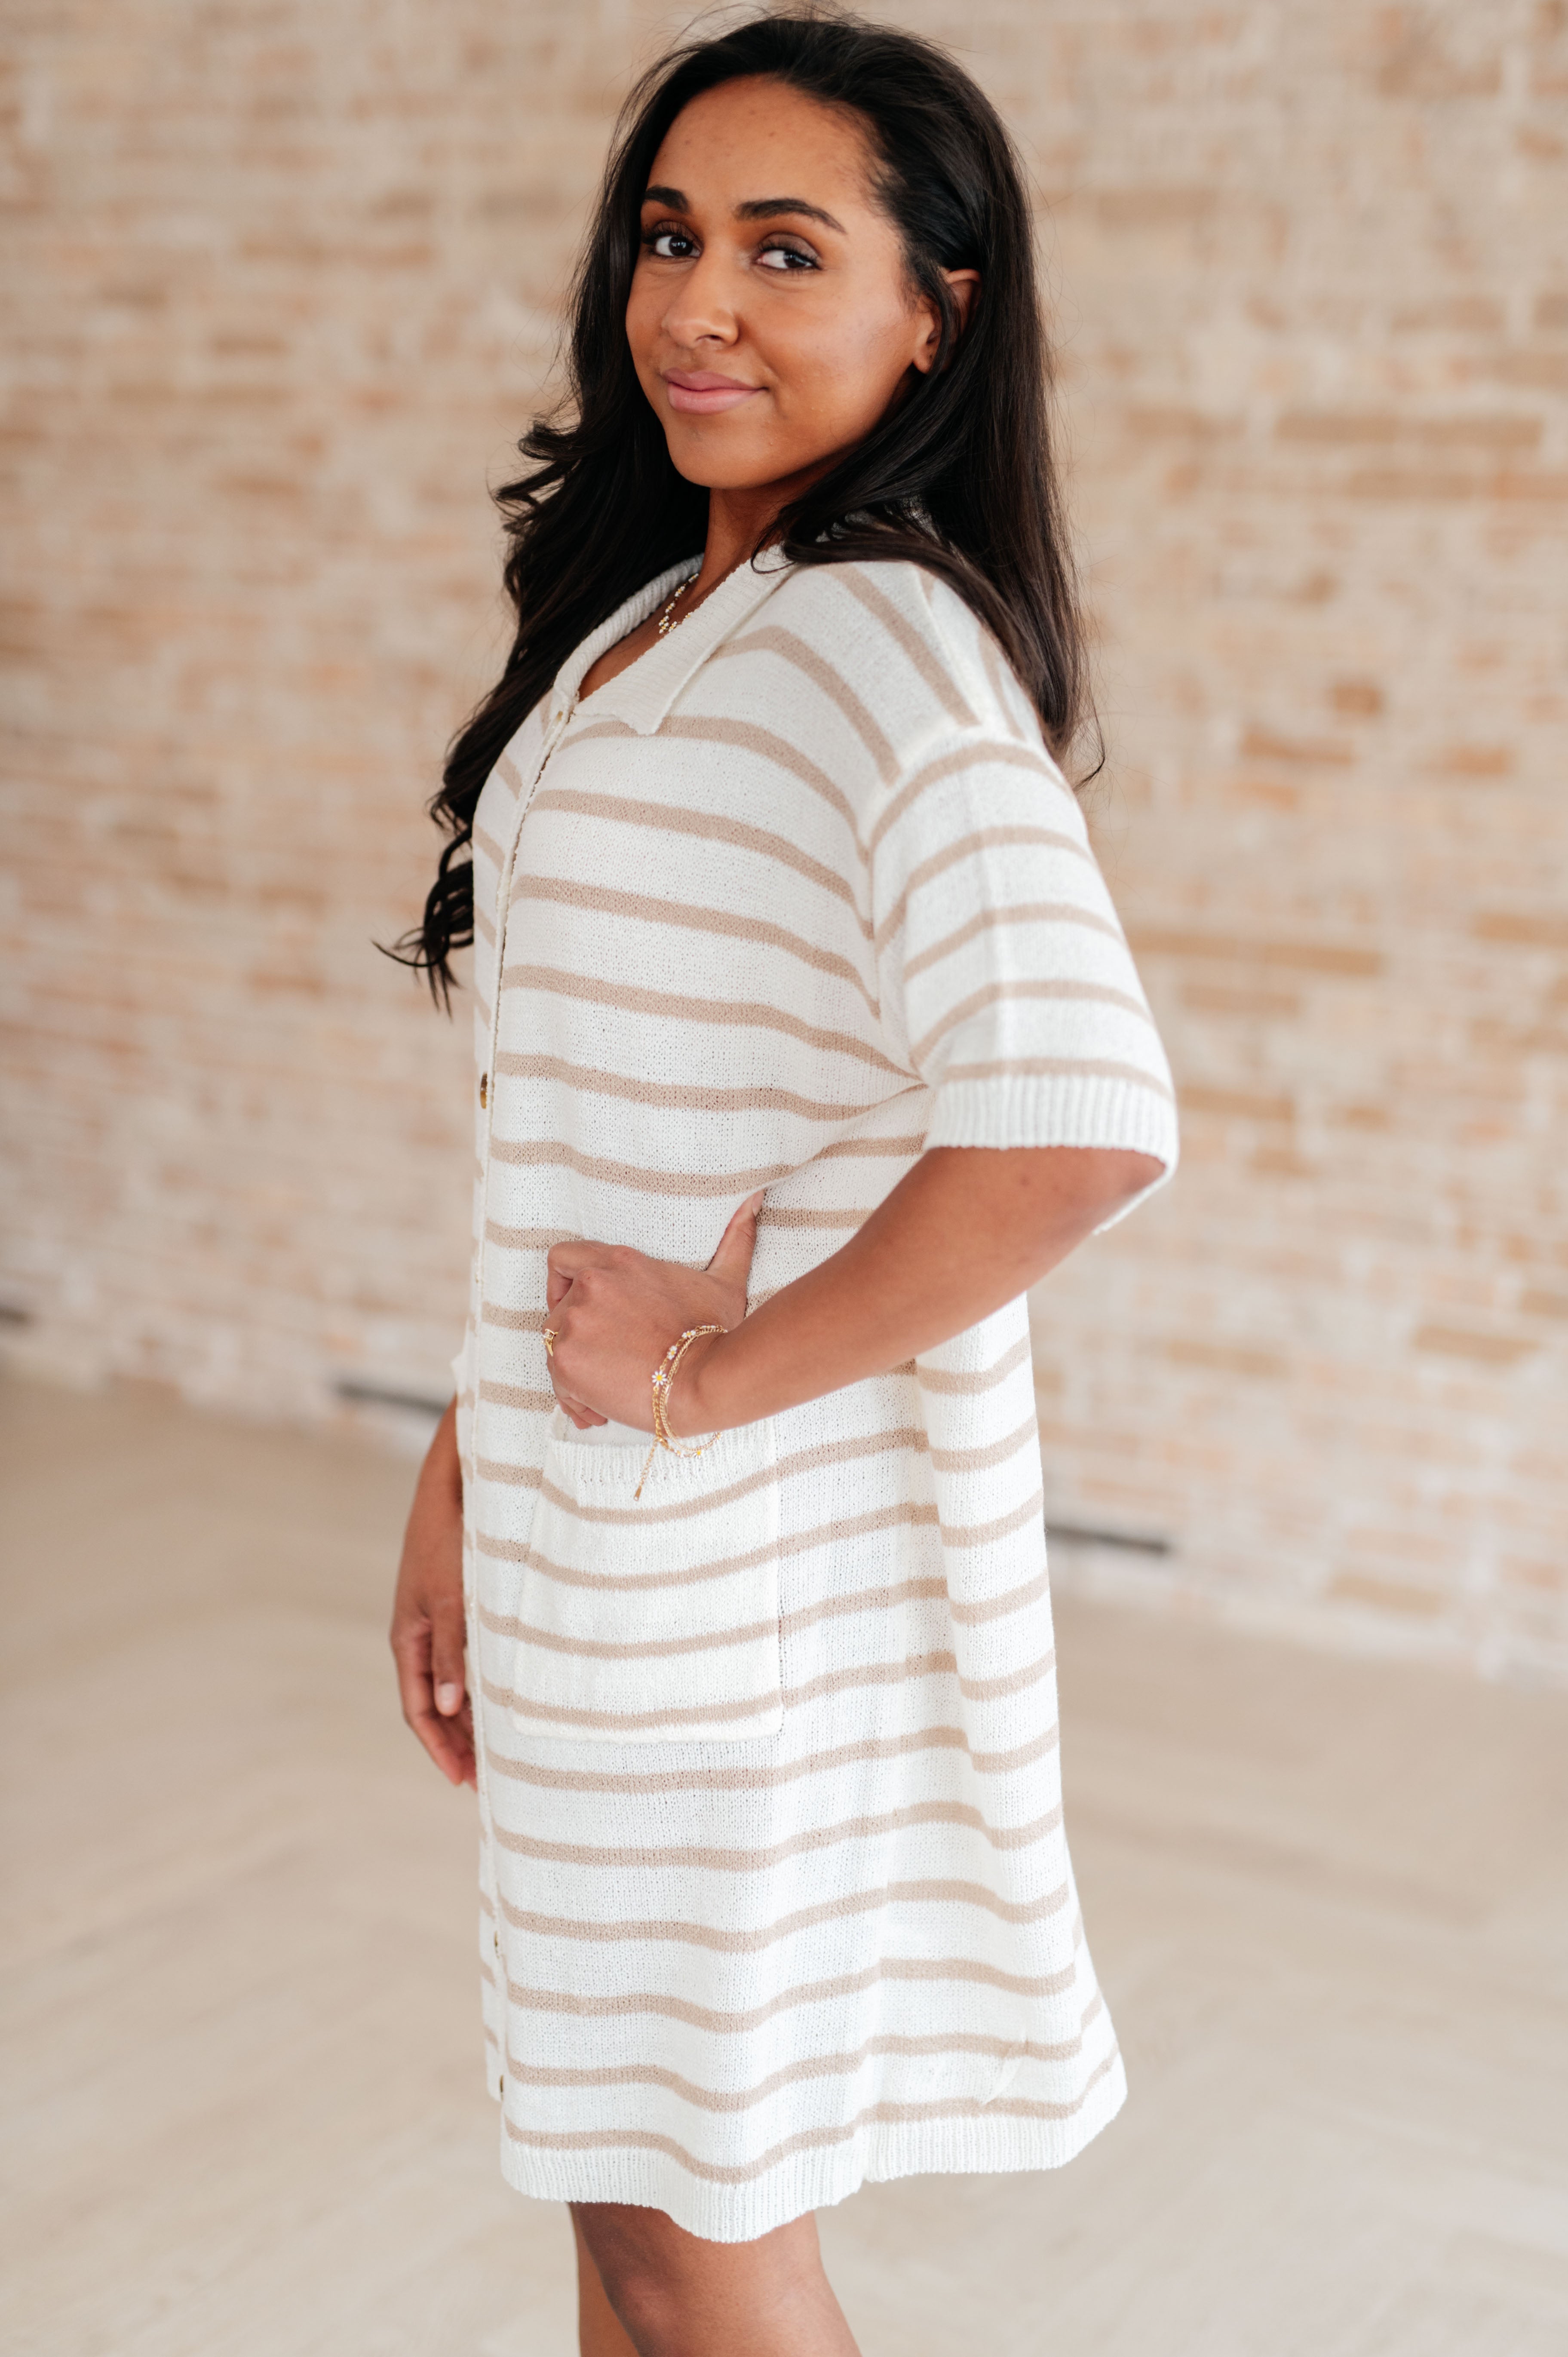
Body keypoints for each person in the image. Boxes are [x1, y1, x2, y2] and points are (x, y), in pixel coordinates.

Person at [389, 12, 1178, 2352]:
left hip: (721, 1595)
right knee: (624, 2215)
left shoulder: (876, 635)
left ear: (932, 308)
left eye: (784, 249)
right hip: (596, 1543)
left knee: (696, 2232)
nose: (696, 305)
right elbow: (605, 1126)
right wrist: (470, 1455)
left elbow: (1078, 1116)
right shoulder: (665, 620)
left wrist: (708, 1384)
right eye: (667, 237)